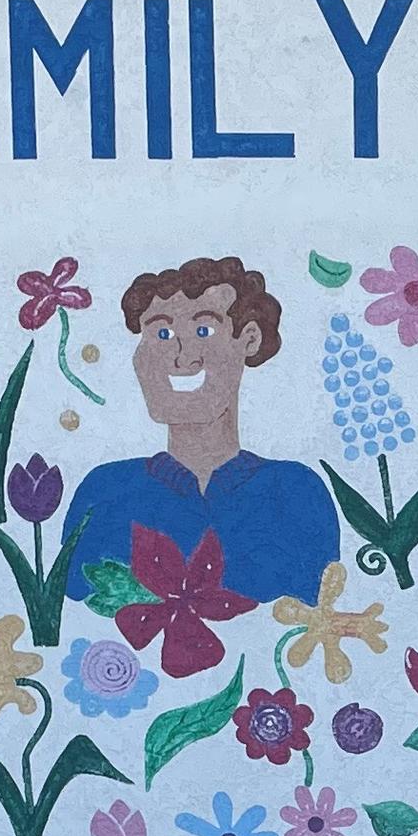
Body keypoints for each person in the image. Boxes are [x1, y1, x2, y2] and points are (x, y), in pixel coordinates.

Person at [56, 259, 341, 608]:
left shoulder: (295, 492)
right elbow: (70, 613)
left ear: (248, 340)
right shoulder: (105, 492)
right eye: (161, 334)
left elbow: (317, 611)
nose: (182, 357)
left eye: (204, 331)